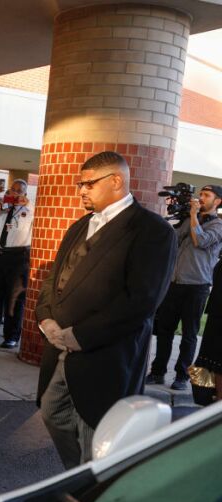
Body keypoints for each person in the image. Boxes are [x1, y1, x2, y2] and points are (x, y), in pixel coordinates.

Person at [37, 151, 176, 469]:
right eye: (79, 184)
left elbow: (142, 300)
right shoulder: (78, 226)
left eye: (87, 183)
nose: (81, 190)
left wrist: (80, 335)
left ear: (116, 181)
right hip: (59, 350)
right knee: (51, 411)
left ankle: (90, 497)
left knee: (95, 436)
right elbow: (53, 280)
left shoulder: (152, 231)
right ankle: (79, 479)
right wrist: (45, 318)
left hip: (108, 357)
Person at [147, 184, 222, 390]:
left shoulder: (218, 226)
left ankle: (182, 376)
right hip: (174, 284)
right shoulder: (189, 219)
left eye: (207, 195)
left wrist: (193, 216)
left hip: (197, 287)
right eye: (201, 194)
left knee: (189, 335)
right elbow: (173, 239)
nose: (201, 198)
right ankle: (157, 372)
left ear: (217, 202)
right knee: (164, 331)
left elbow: (200, 241)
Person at [0, 179, 33, 349]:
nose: (15, 193)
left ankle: (11, 336)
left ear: (25, 195)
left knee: (14, 299)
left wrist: (28, 204)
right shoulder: (0, 210)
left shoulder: (28, 212)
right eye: (13, 189)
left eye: (20, 191)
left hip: (18, 258)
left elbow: (41, 216)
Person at [193, 250, 222, 403]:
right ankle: (207, 400)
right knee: (210, 359)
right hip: (216, 315)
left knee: (216, 361)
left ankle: (216, 404)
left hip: (218, 316)